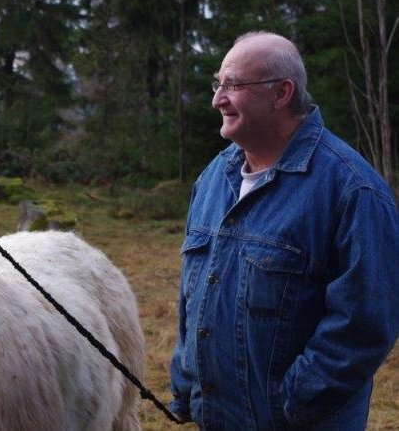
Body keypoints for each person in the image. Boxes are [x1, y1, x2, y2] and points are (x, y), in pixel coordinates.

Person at [168, 31, 398, 429]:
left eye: (234, 85)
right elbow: (193, 300)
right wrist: (187, 386)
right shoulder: (211, 181)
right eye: (217, 83)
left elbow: (365, 324)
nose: (217, 99)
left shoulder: (352, 190)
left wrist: (292, 403)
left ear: (282, 93)